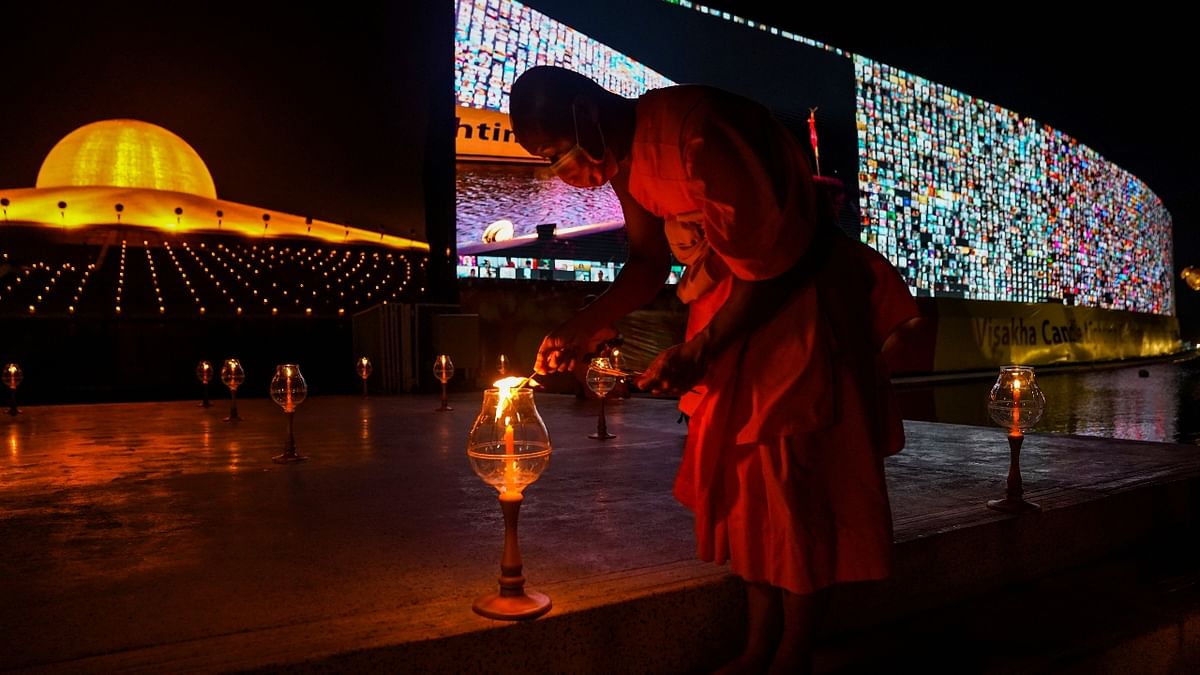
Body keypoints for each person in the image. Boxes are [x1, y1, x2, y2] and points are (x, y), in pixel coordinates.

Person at [511, 66, 918, 673]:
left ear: (585, 114)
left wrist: (701, 352)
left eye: (556, 152)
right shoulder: (627, 157)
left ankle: (793, 652)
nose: (563, 170)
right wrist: (584, 323)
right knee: (746, 491)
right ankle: (758, 645)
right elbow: (649, 260)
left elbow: (776, 261)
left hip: (794, 319)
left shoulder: (698, 132)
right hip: (728, 319)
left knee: (794, 488)